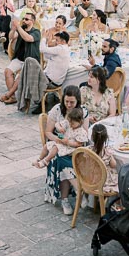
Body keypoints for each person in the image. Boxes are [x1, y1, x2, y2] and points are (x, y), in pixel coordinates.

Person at [43, 86, 86, 214]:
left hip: (75, 146)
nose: (68, 104)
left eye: (72, 102)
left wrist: (71, 143)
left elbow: (84, 135)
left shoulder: (83, 112)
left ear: (77, 101)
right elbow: (48, 132)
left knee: (69, 157)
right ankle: (70, 196)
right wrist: (59, 140)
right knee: (61, 158)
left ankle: (68, 196)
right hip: (59, 144)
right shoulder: (57, 109)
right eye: (66, 101)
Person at [0, 12, 42, 104]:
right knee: (8, 71)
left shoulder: (36, 32)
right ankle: (13, 96)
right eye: (23, 18)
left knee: (20, 76)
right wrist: (14, 28)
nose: (24, 21)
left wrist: (18, 27)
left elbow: (28, 38)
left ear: (33, 21)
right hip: (19, 58)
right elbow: (11, 37)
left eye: (27, 19)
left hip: (30, 61)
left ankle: (8, 95)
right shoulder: (21, 29)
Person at [91, 123, 119, 194]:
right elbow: (114, 165)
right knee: (121, 179)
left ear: (92, 137)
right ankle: (115, 203)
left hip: (90, 179)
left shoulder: (88, 150)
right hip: (103, 181)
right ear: (106, 138)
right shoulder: (107, 152)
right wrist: (111, 155)